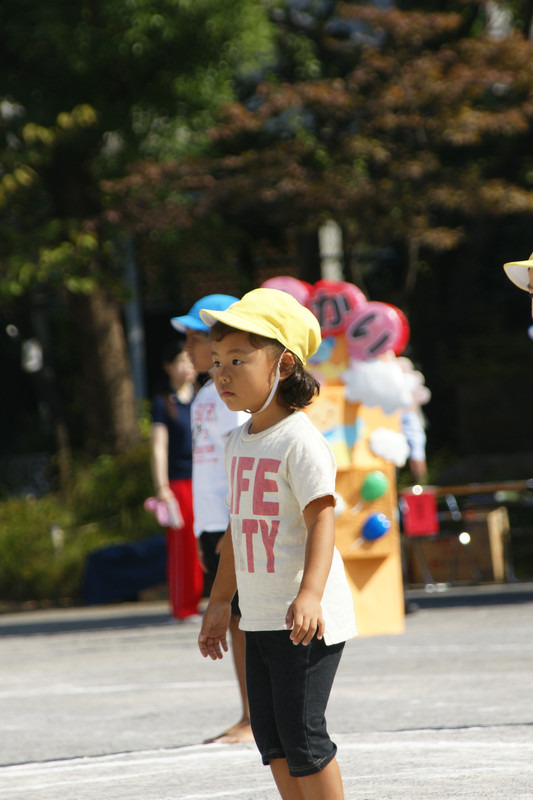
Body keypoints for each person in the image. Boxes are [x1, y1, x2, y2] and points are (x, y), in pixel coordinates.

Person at [197, 288, 357, 800]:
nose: (221, 374)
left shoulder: (300, 441)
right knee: (273, 741)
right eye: (216, 361)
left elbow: (322, 522)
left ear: (284, 365)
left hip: (307, 620)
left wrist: (310, 594)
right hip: (261, 616)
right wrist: (220, 600)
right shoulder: (236, 442)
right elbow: (236, 530)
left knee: (303, 736)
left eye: (237, 360)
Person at [171, 294, 253, 744]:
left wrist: (231, 524)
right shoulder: (206, 394)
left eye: (194, 338)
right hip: (211, 526)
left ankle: (254, 717)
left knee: (245, 621)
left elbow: (241, 464)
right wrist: (204, 529)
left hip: (229, 524)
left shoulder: (232, 396)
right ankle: (249, 713)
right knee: (236, 621)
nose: (187, 347)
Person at [150, 339, 203, 621]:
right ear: (168, 366)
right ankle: (184, 606)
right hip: (180, 482)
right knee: (184, 546)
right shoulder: (163, 403)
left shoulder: (204, 398)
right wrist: (162, 487)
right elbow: (158, 446)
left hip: (207, 479)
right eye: (181, 360)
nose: (188, 366)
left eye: (190, 360)